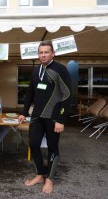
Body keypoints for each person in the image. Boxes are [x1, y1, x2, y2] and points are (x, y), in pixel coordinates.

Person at [18, 41, 71, 194]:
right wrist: (24, 112)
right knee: (33, 145)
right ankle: (40, 175)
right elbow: (30, 93)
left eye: (46, 52)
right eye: (41, 52)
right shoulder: (36, 71)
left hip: (53, 117)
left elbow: (67, 95)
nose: (43, 55)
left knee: (52, 147)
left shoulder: (60, 70)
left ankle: (49, 179)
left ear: (53, 53)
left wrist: (61, 119)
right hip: (37, 116)